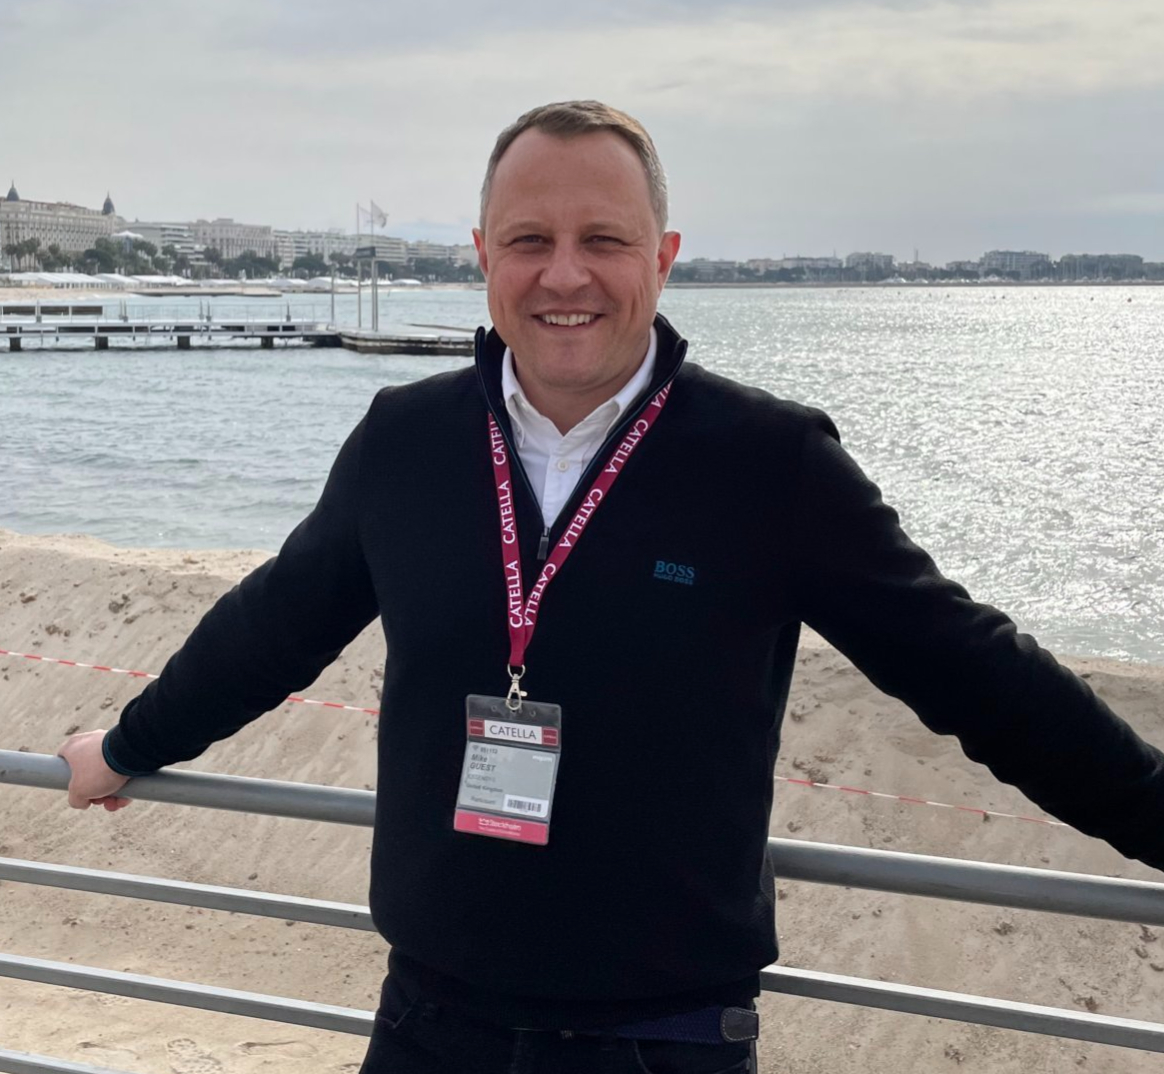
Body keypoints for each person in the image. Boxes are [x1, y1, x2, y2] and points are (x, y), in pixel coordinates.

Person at [58, 100, 1164, 1074]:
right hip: (431, 1015)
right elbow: (275, 625)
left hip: (664, 1034)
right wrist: (132, 742)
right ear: (483, 255)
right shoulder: (406, 440)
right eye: (529, 240)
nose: (564, 275)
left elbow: (968, 667)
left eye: (603, 239)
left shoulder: (769, 462)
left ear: (663, 257)